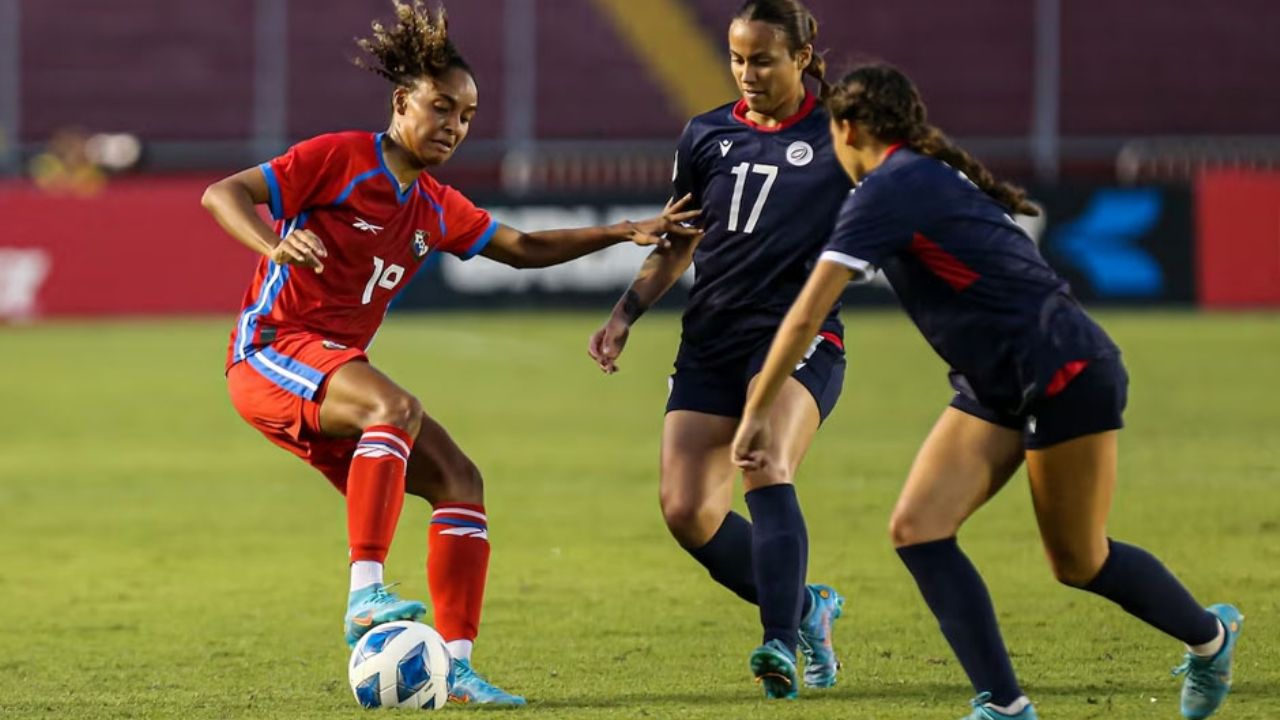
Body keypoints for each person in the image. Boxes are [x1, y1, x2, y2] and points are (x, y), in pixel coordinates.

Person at [200, 1, 699, 707]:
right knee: (394, 407)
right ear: (401, 103)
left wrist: (621, 230)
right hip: (269, 354)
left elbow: (523, 248)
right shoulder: (340, 158)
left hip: (331, 374)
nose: (454, 126)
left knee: (462, 481)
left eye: (466, 116)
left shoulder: (434, 204)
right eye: (441, 108)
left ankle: (455, 668)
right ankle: (365, 595)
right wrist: (272, 243)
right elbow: (222, 193)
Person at [732, 63, 1243, 720]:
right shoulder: (924, 174)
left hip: (1061, 371)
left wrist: (756, 412)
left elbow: (806, 313)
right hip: (997, 381)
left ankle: (1211, 638)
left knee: (1080, 561)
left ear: (849, 129)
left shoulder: (887, 189)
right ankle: (1004, 704)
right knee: (918, 529)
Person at [588, 0, 849, 699]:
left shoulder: (841, 136)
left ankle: (779, 642)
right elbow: (681, 241)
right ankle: (807, 608)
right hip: (711, 341)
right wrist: (625, 313)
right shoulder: (706, 134)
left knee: (763, 458)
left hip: (797, 339)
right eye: (737, 59)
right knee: (686, 511)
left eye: (763, 60)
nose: (747, 73)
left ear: (800, 58)